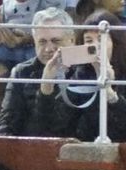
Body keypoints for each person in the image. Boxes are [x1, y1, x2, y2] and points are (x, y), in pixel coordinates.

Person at [29, 11, 126, 139]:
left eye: (101, 40)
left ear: (116, 43)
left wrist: (109, 91)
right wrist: (47, 85)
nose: (95, 46)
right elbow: (55, 126)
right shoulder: (80, 74)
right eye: (88, 40)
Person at [0, 7, 73, 135]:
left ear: (72, 40)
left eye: (56, 41)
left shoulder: (84, 71)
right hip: (31, 148)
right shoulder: (21, 73)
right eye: (42, 42)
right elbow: (6, 126)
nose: (49, 49)